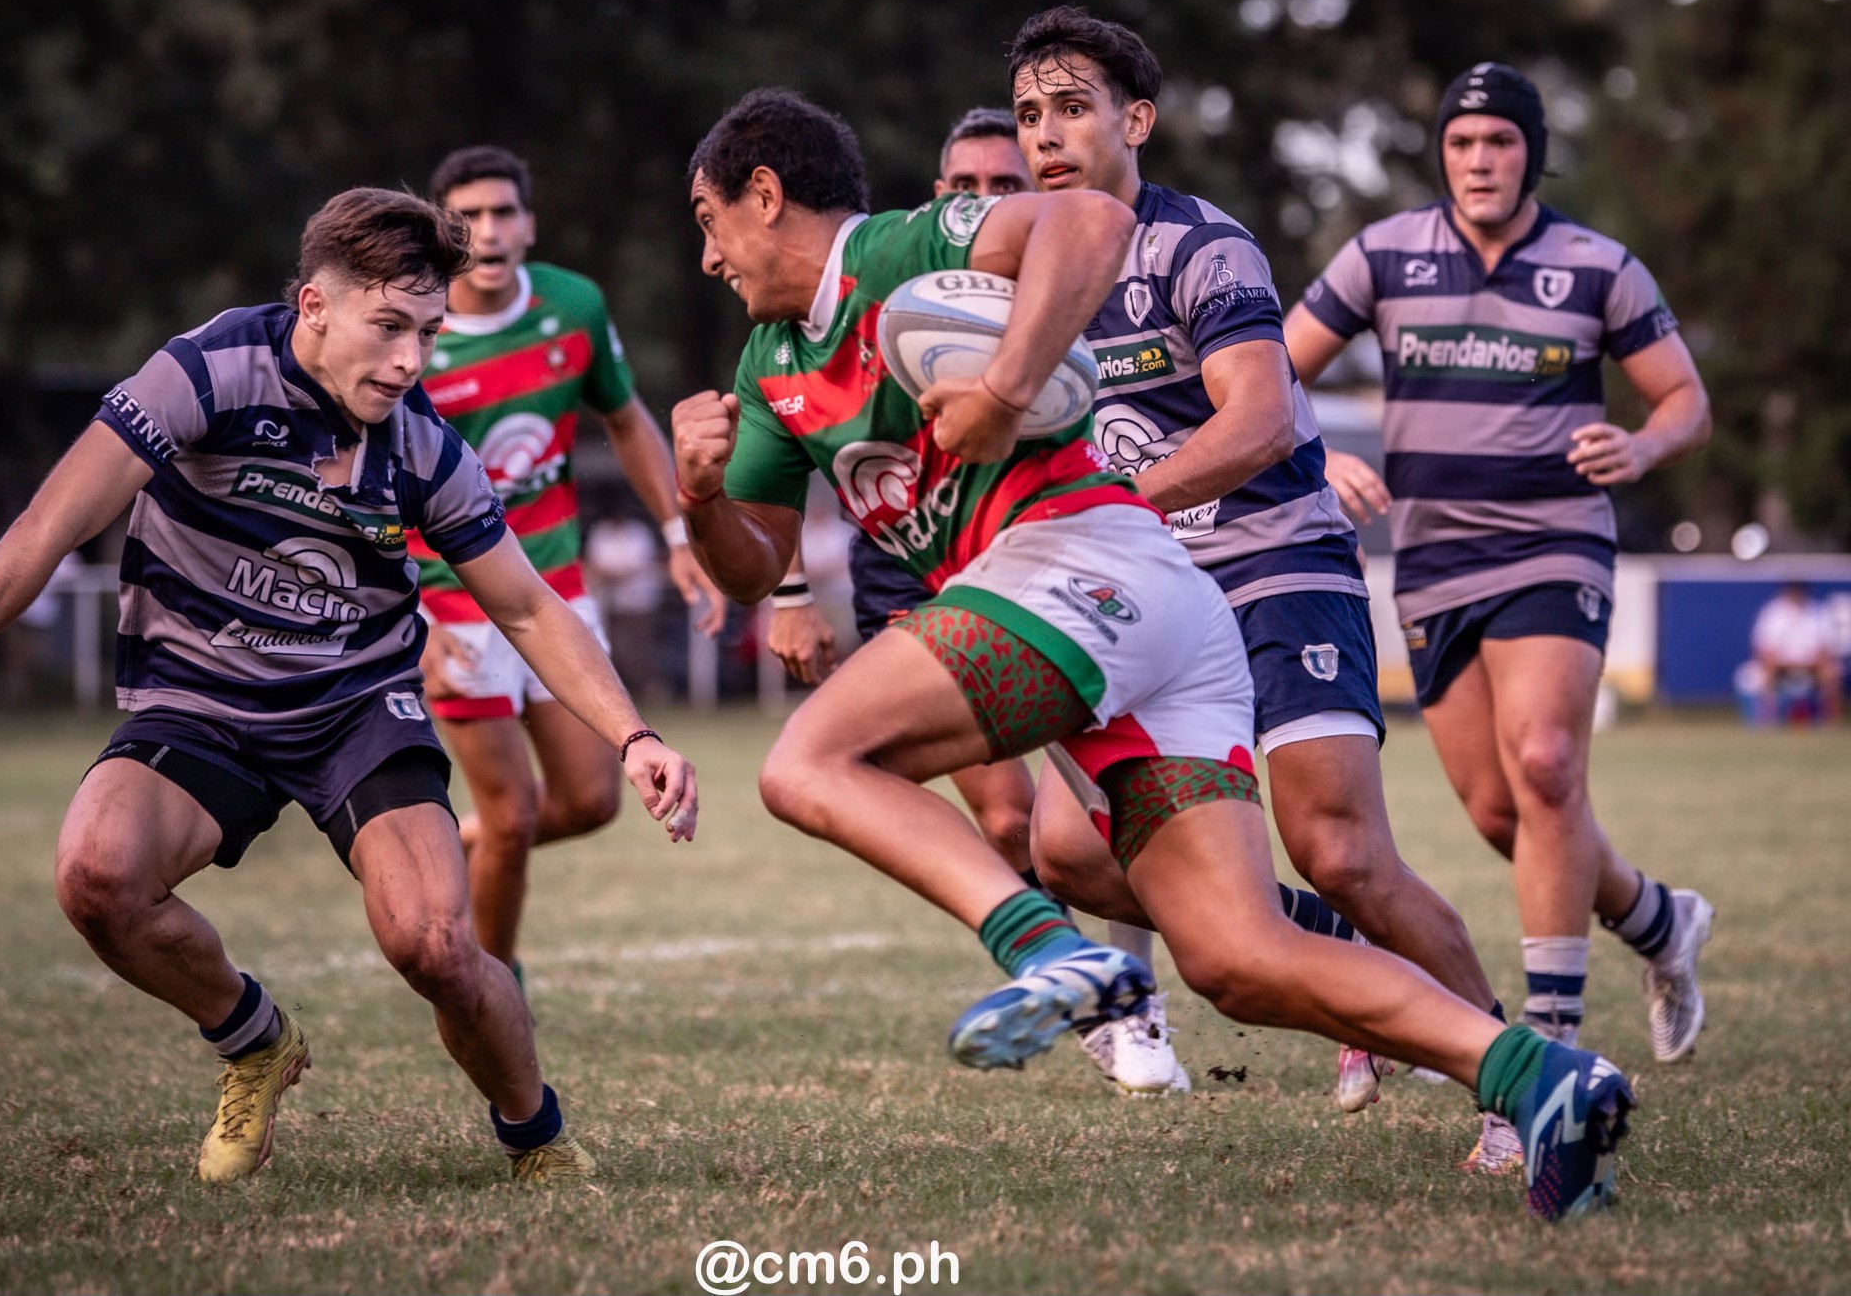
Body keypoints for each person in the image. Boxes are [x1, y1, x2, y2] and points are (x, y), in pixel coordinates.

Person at [674, 87, 1635, 1220]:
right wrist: (695, 495)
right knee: (1235, 959)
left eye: (707, 218)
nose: (704, 257)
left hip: (1082, 564)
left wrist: (1002, 391)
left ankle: (1047, 953)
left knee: (808, 762)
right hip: (1145, 613)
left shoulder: (888, 249)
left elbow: (1086, 226)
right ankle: (1541, 1079)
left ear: (766, 194)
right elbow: (750, 567)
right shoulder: (767, 366)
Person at [0, 188, 698, 1186]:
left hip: (354, 707)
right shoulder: (205, 372)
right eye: (389, 327)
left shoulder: (420, 447)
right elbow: (51, 522)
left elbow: (530, 609)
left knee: (437, 945)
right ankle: (253, 1037)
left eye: (429, 333)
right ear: (312, 304)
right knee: (96, 879)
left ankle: (535, 1136)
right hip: (198, 698)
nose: (411, 361)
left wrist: (636, 738)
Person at [1001, 7, 1513, 1160]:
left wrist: (1123, 512)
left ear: (1135, 120)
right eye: (1030, 114)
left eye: (1071, 108)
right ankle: (1335, 949)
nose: (1045, 134)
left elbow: (1263, 413)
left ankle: (1510, 1079)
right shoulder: (1017, 270)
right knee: (1075, 852)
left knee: (1335, 845)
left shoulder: (1200, 245)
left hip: (1272, 563)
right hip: (1142, 595)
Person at [1283, 62, 1716, 1069]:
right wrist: (1324, 452)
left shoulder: (1597, 265)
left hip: (1552, 540)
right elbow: (1268, 369)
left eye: (1499, 142)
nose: (1478, 160)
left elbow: (1683, 403)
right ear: (1440, 153)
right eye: (1461, 142)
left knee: (1545, 767)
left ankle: (1550, 1036)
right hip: (1433, 557)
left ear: (1530, 153)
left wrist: (1642, 448)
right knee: (1496, 813)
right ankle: (1655, 922)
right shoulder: (1382, 256)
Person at [766, 105, 1183, 1096]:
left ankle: (1158, 976)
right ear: (936, 194)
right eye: (962, 188)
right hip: (909, 559)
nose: (981, 205)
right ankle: (1094, 990)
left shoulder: (1053, 303)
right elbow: (790, 424)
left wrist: (1008, 388)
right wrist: (788, 587)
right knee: (1002, 824)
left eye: (1004, 189)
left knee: (1090, 812)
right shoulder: (887, 279)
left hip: (1036, 546)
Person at [419, 146, 725, 978]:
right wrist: (409, 616)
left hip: (552, 589)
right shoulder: (412, 329)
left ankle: (448, 843)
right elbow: (371, 482)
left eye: (503, 212)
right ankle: (491, 984)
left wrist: (676, 537)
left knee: (591, 798)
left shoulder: (573, 305)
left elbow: (626, 421)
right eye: (468, 216)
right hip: (449, 603)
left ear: (529, 221)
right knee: (513, 817)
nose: (488, 230)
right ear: (443, 227)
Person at [1749, 581, 1841, 725]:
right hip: (1780, 663)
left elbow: (1826, 647)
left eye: (1798, 589)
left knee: (1832, 672)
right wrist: (1783, 660)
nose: (1795, 593)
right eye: (1792, 589)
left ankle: (1829, 721)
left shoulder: (1817, 611)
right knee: (1767, 670)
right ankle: (1767, 720)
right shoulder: (1773, 611)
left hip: (1812, 663)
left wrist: (1813, 660)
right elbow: (1763, 647)